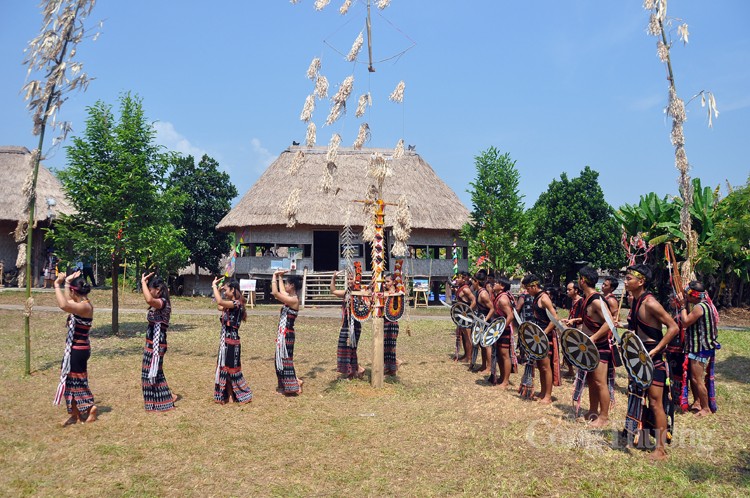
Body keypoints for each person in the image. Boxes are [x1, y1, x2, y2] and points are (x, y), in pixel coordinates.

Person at [623, 264, 679, 461]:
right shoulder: (636, 301)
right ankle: (644, 437)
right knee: (640, 397)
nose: (625, 281)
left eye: (629, 278)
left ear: (641, 281)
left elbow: (673, 327)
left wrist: (657, 349)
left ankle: (661, 449)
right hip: (640, 357)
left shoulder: (650, 303)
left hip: (652, 358)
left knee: (656, 403)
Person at [52, 270, 97, 425]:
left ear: (73, 291)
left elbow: (64, 304)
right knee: (68, 382)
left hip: (78, 351)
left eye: (69, 290)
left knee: (78, 382)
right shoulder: (80, 304)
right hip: (73, 350)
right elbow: (68, 302)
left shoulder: (85, 307)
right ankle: (74, 414)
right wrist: (66, 283)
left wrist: (57, 285)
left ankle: (91, 408)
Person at [575, 266, 616, 428]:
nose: (578, 281)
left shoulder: (597, 300)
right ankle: (592, 411)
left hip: (600, 347)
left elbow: (610, 322)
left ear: (583, 280)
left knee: (600, 382)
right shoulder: (588, 298)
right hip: (591, 347)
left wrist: (592, 338)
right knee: (592, 380)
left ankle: (604, 416)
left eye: (579, 278)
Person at [676, 280, 720, 417]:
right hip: (700, 347)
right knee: (695, 377)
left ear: (694, 296)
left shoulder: (699, 307)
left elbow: (685, 322)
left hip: (699, 348)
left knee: (696, 379)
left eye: (687, 295)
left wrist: (682, 306)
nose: (686, 297)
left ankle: (706, 408)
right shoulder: (707, 304)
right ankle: (698, 402)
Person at [518, 274, 560, 404]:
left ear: (534, 286)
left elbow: (555, 318)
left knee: (546, 366)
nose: (527, 291)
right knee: (541, 366)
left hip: (545, 336)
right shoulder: (536, 297)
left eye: (528, 288)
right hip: (539, 336)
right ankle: (543, 392)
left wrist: (544, 333)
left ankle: (548, 395)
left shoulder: (544, 298)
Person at [211, 277, 253, 404]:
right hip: (225, 340)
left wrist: (214, 286)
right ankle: (228, 394)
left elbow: (220, 301)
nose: (224, 292)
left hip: (232, 341)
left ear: (233, 290)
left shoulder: (237, 304)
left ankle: (237, 393)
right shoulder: (229, 304)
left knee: (232, 369)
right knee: (224, 368)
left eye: (226, 290)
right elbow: (219, 305)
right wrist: (218, 289)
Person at [140, 273, 175, 412]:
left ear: (158, 290)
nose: (149, 291)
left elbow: (148, 299)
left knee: (154, 372)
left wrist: (143, 282)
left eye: (150, 289)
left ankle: (164, 401)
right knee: (148, 372)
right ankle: (154, 402)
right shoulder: (157, 304)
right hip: (151, 342)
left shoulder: (162, 303)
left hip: (157, 343)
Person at [331, 269, 366, 380]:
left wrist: (358, 285)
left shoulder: (358, 292)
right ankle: (357, 370)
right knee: (345, 348)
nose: (349, 281)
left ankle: (352, 372)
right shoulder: (347, 292)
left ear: (357, 280)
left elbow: (362, 297)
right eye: (348, 279)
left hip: (354, 325)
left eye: (352, 278)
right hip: (346, 324)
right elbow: (333, 290)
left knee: (350, 348)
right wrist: (333, 278)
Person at [272, 270, 303, 395]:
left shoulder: (294, 300)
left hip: (287, 334)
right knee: (279, 359)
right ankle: (291, 383)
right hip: (283, 334)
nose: (285, 286)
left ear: (292, 286)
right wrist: (280, 277)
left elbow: (276, 293)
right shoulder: (290, 297)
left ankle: (294, 385)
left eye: (287, 284)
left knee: (285, 359)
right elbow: (281, 291)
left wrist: (274, 276)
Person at [490, 276, 517, 388]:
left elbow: (510, 316)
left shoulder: (502, 299)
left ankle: (505, 380)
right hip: (499, 330)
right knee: (500, 354)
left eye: (497, 283)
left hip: (504, 330)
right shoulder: (499, 297)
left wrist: (501, 329)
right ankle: (501, 377)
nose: (494, 284)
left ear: (502, 286)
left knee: (505, 355)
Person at [471, 269, 495, 373]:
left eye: (473, 280)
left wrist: (485, 320)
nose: (472, 282)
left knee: (486, 344)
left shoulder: (483, 294)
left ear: (477, 281)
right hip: (480, 321)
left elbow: (492, 308)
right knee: (481, 343)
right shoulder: (478, 292)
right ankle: (484, 365)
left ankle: (489, 367)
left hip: (486, 321)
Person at [561, 280, 583, 377]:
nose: (567, 291)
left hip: (580, 328)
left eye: (569, 289)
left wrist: (574, 320)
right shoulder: (572, 301)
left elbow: (585, 317)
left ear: (576, 290)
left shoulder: (582, 301)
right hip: (572, 327)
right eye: (567, 289)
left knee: (578, 351)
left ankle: (580, 374)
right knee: (566, 348)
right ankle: (570, 370)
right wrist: (568, 319)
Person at [453, 272, 476, 363]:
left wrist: (468, 311)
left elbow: (473, 300)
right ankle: (466, 354)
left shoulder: (466, 289)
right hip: (461, 315)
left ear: (463, 279)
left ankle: (469, 357)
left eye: (458, 278)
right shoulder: (460, 288)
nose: (456, 280)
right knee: (462, 334)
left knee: (467, 336)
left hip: (466, 315)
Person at [383, 272, 401, 376]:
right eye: (385, 281)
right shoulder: (384, 292)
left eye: (388, 281)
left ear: (393, 282)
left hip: (393, 322)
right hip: (384, 321)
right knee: (385, 346)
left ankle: (392, 369)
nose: (385, 283)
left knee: (391, 346)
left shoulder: (398, 293)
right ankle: (387, 367)